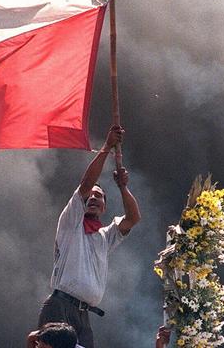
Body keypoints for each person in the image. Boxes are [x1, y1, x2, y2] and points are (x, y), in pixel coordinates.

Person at [37, 125, 141, 348]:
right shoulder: (70, 222)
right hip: (60, 306)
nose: (93, 198)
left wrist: (123, 187)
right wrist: (106, 147)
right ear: (82, 202)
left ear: (104, 207)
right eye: (90, 196)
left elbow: (133, 218)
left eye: (99, 197)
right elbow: (85, 185)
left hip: (83, 315)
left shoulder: (105, 236)